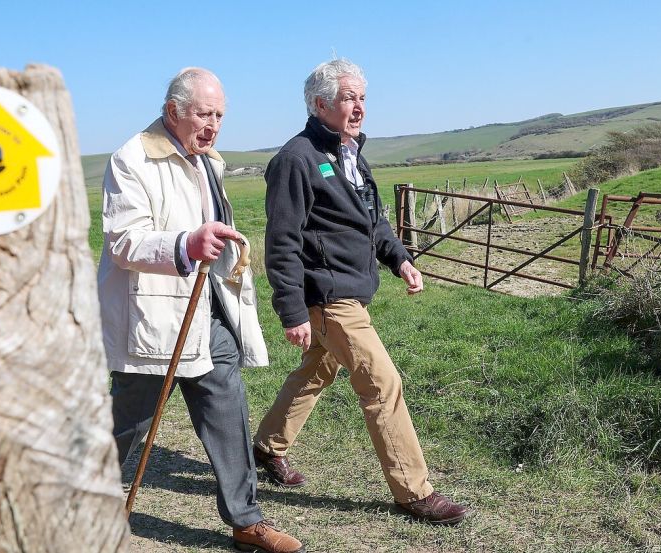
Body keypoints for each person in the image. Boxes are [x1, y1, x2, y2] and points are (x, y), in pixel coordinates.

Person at [252, 59, 470, 526]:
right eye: (349, 98)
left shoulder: (350, 152)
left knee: (317, 370)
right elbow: (283, 240)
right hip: (329, 295)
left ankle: (267, 447)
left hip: (352, 287)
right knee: (382, 382)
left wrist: (401, 259)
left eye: (363, 98)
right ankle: (414, 492)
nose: (359, 108)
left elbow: (374, 221)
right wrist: (291, 310)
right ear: (320, 103)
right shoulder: (296, 159)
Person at [97, 67, 305, 553]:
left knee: (228, 414)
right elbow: (124, 242)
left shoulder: (207, 159)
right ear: (173, 111)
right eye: (203, 114)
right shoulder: (132, 158)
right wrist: (186, 243)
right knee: (127, 424)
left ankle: (246, 521)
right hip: (153, 319)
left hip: (207, 311)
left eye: (219, 115)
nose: (213, 125)